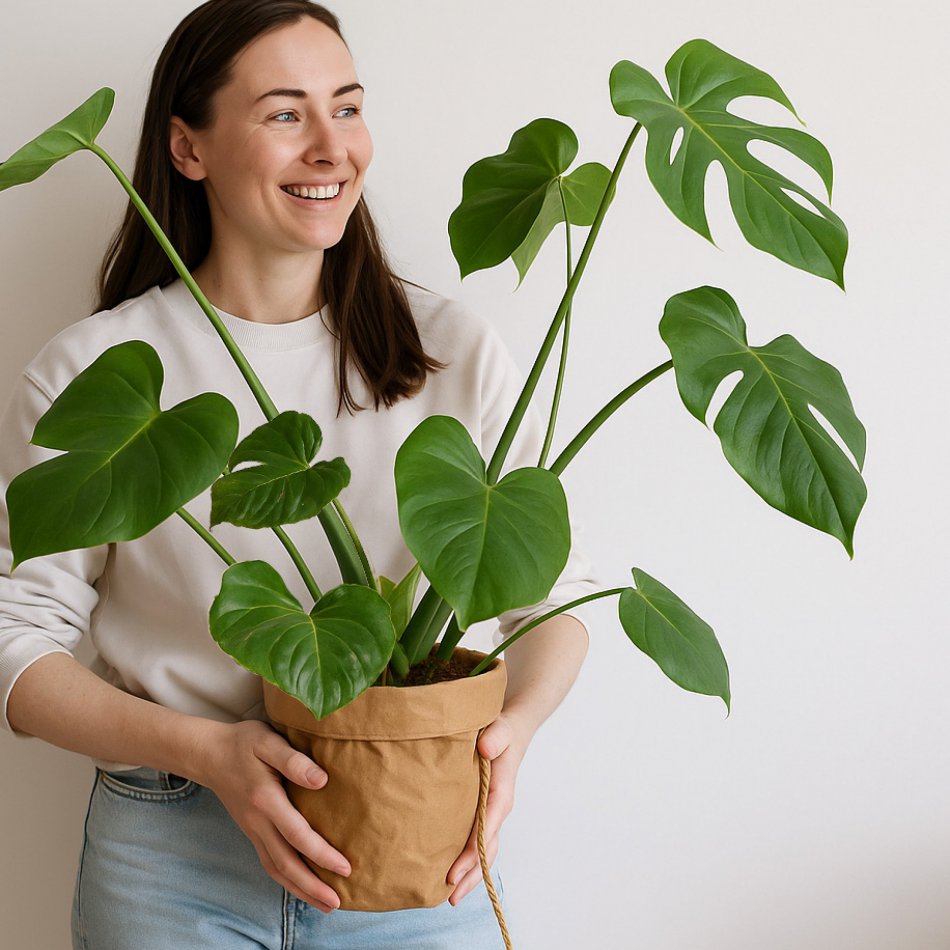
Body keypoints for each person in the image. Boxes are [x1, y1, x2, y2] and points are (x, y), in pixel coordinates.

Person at [0, 2, 593, 947]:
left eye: (347, 108)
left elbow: (545, 604)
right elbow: (16, 647)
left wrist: (509, 736)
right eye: (285, 115)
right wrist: (211, 753)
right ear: (187, 149)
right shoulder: (94, 375)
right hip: (172, 848)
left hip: (413, 839)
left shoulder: (451, 350)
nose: (331, 148)